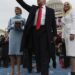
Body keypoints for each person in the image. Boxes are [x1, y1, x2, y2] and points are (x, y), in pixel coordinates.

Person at [16, 0, 57, 75]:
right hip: (34, 33)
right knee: (37, 53)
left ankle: (44, 72)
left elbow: (53, 23)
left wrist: (54, 34)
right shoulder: (33, 8)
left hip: (45, 32)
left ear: (44, 1)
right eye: (37, 0)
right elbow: (24, 5)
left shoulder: (50, 11)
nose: (38, 1)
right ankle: (40, 68)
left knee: (44, 53)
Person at [7, 7, 25, 75]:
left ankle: (18, 71)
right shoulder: (11, 19)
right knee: (11, 54)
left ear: (20, 11)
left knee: (18, 54)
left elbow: (25, 28)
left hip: (19, 36)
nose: (16, 11)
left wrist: (21, 27)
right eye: (16, 10)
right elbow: (8, 28)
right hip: (12, 36)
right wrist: (13, 25)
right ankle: (12, 70)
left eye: (18, 10)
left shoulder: (23, 19)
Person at [61, 2, 75, 75]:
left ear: (70, 6)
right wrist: (63, 37)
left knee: (73, 54)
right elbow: (63, 27)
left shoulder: (72, 11)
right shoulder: (64, 15)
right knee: (70, 53)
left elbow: (74, 21)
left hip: (71, 34)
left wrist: (73, 33)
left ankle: (73, 71)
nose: (66, 5)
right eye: (64, 5)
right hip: (66, 35)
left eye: (67, 4)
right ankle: (73, 70)